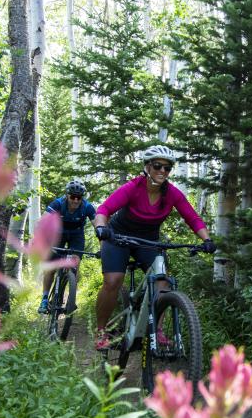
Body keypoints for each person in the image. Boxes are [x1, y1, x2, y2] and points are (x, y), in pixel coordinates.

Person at [92, 145, 216, 350]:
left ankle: (157, 331)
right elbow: (104, 209)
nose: (162, 171)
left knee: (162, 282)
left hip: (148, 241)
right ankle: (101, 331)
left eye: (167, 168)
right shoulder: (133, 187)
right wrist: (101, 228)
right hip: (118, 237)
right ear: (147, 167)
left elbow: (192, 217)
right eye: (157, 166)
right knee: (113, 281)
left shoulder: (172, 194)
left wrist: (207, 240)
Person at [39, 179, 97, 313]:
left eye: (79, 197)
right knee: (51, 268)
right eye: (73, 197)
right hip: (57, 234)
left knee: (75, 266)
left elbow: (97, 225)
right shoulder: (58, 204)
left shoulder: (87, 207)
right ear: (67, 195)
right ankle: (44, 299)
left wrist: (103, 239)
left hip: (76, 235)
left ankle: (71, 299)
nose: (76, 200)